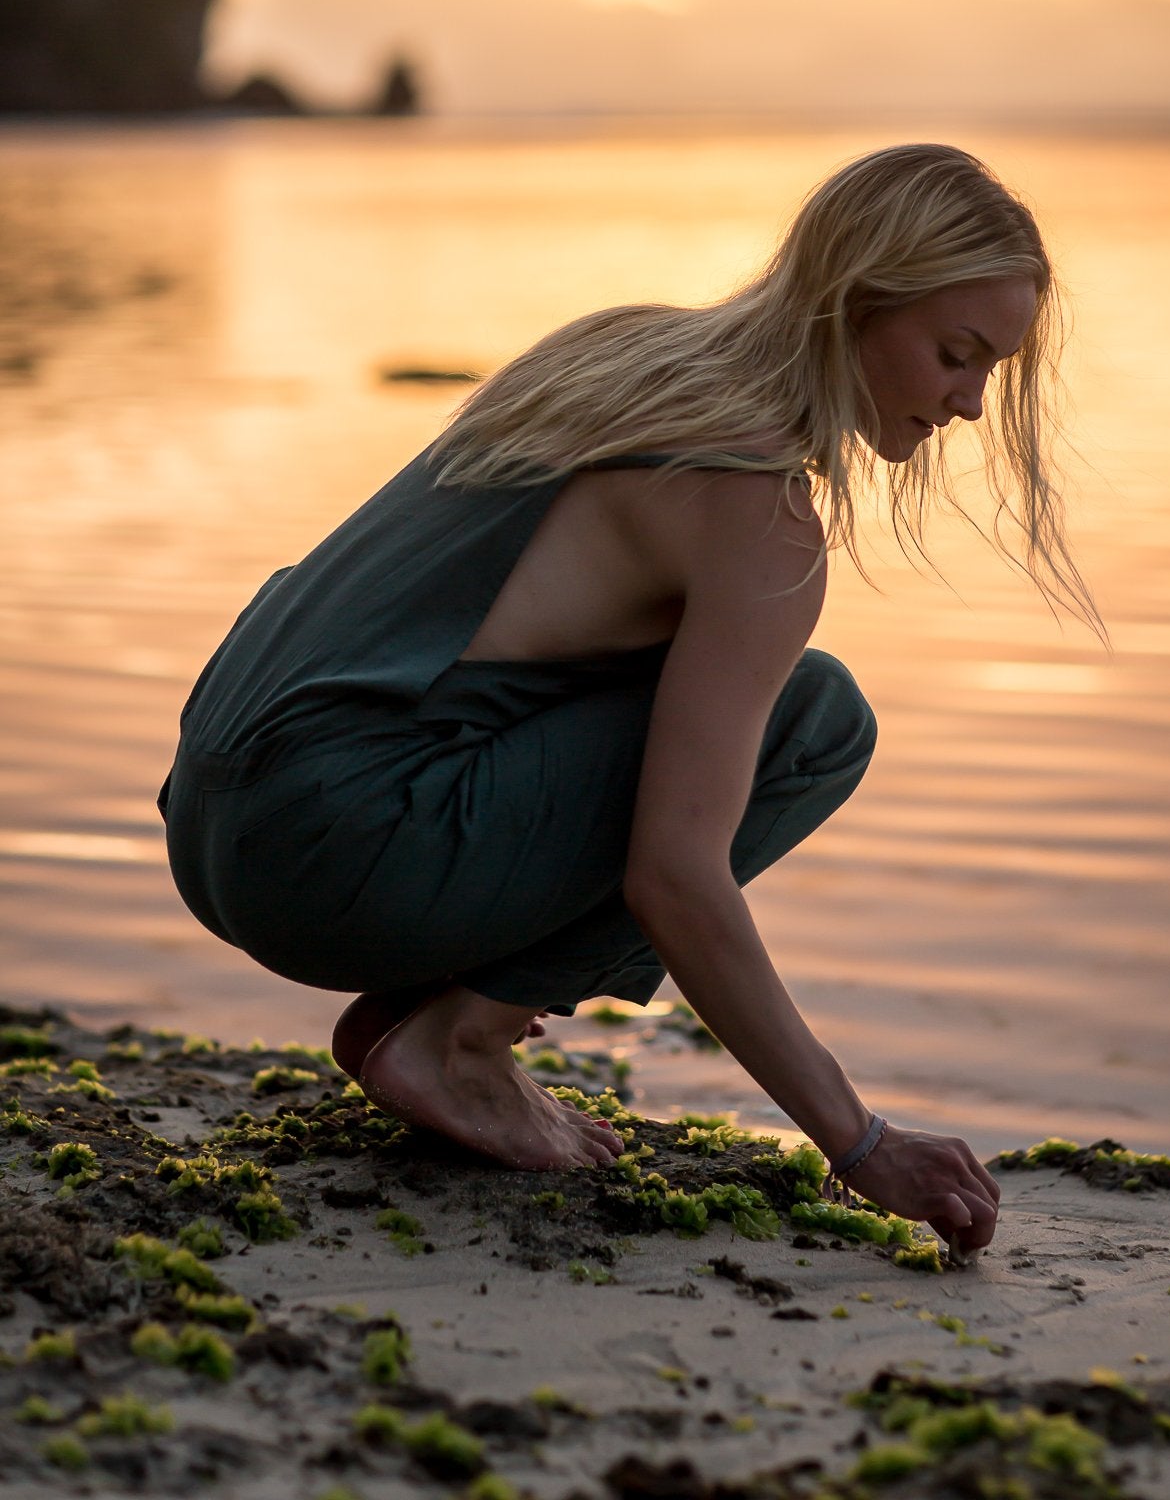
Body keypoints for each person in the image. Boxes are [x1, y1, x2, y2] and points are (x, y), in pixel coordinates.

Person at [159, 142, 1098, 1256]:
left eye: (989, 369)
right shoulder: (758, 516)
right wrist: (858, 1140)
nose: (972, 403)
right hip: (328, 850)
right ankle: (460, 1039)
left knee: (695, 702)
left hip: (215, 811)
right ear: (858, 298)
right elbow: (673, 876)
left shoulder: (626, 354)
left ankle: (437, 1015)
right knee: (815, 720)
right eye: (956, 354)